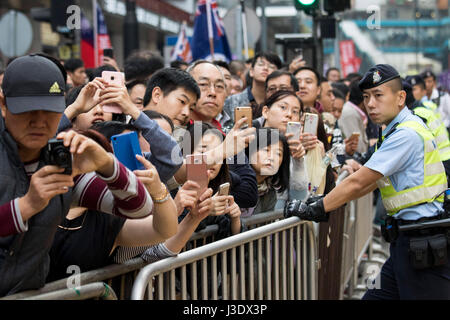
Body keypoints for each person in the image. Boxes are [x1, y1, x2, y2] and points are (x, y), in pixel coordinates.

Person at [285, 64, 450, 299]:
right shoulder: (400, 129)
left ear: (401, 97)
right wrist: (327, 200)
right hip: (409, 241)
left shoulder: (405, 134)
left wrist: (319, 207)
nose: (370, 103)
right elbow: (372, 180)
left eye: (378, 95)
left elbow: (360, 182)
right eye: (366, 97)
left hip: (421, 242)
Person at [0, 54, 154, 296]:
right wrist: (27, 205)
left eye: (49, 111)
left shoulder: (63, 164)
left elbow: (139, 208)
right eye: (27, 111)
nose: (39, 122)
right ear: (3, 105)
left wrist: (106, 164)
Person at [47, 129, 178, 281]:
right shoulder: (38, 203)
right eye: (73, 155)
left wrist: (158, 191)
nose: (81, 166)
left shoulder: (109, 219)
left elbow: (163, 230)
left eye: (94, 160)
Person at [223, 52, 282, 123]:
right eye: (261, 64)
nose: (265, 68)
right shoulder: (231, 101)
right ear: (251, 71)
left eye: (271, 66)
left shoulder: (280, 103)